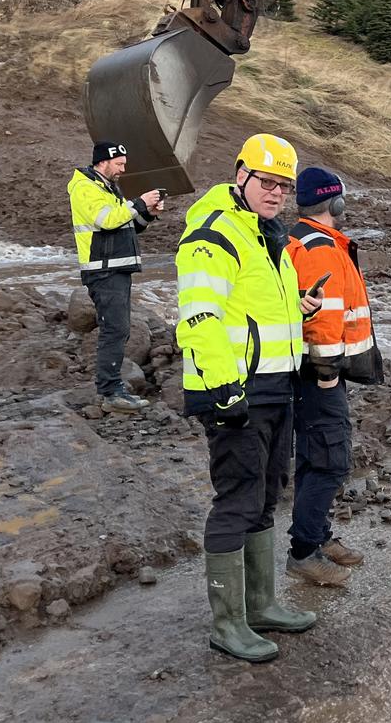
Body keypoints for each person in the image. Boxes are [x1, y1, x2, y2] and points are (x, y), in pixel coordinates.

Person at [175, 133, 325, 663]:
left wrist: (297, 308)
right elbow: (200, 317)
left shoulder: (266, 237)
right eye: (267, 181)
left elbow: (251, 311)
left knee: (264, 497)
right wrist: (225, 389)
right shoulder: (215, 235)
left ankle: (260, 606)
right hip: (236, 393)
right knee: (237, 501)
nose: (276, 192)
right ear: (241, 175)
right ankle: (227, 624)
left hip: (274, 388)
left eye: (284, 185)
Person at [284, 167, 383, 586]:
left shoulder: (304, 239)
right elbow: (323, 320)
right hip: (319, 375)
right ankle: (305, 551)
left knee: (315, 455)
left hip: (310, 373)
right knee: (330, 460)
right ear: (335, 202)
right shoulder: (320, 249)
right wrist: (327, 374)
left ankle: (317, 535)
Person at [68, 140, 163, 412]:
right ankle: (110, 392)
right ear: (103, 161)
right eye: (119, 164)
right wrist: (138, 202)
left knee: (118, 329)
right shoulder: (85, 187)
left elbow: (127, 225)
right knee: (115, 329)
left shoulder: (107, 187)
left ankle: (113, 389)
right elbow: (106, 221)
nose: (123, 169)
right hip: (103, 269)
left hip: (116, 268)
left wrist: (146, 213)